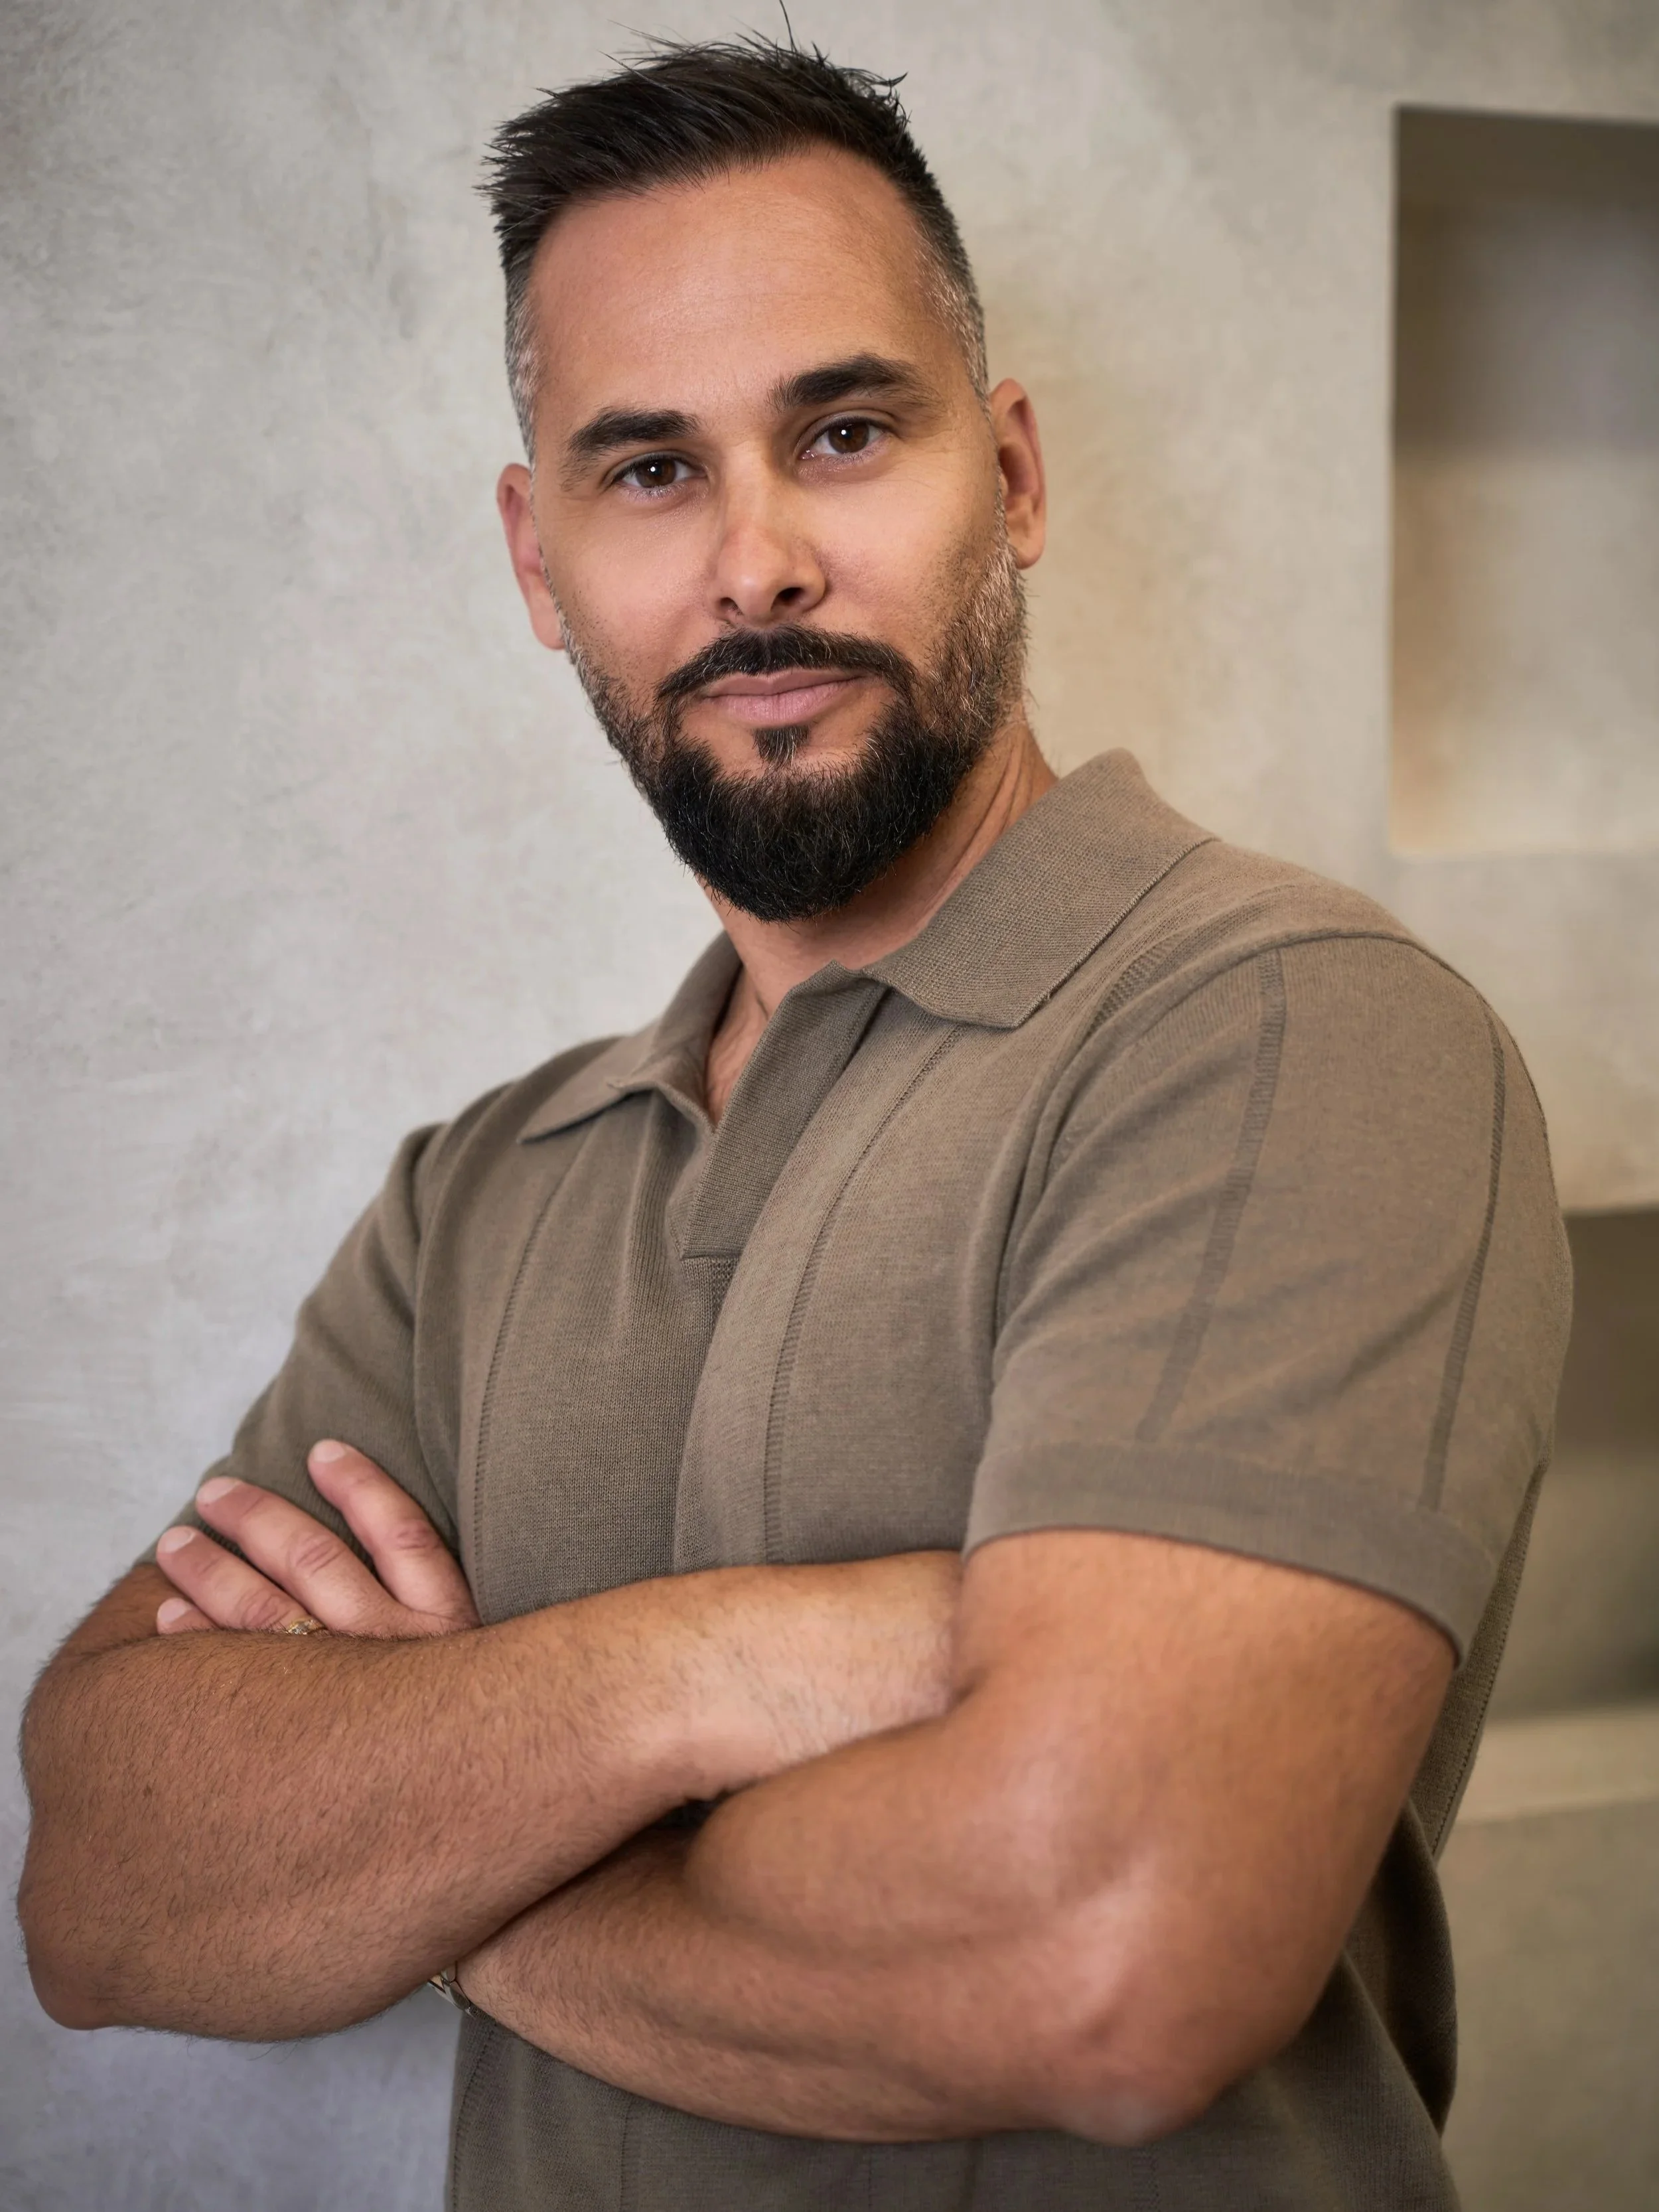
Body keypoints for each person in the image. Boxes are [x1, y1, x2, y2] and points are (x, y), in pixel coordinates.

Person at [19, 37, 1571, 2212]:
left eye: (842, 433)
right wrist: (725, 1667)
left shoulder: (1282, 1032)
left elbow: (1104, 1961)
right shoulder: (480, 1189)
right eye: (649, 469)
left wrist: (430, 1847)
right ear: (538, 559)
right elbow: (104, 1885)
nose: (754, 563)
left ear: (1009, 478)